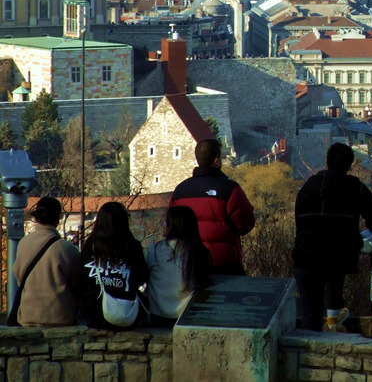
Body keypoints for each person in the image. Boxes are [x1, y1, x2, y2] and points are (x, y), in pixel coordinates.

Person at [292, 142, 372, 332]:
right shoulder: (354, 187)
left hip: (305, 256)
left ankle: (312, 351)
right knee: (332, 284)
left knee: (310, 316)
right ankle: (334, 315)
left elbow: (300, 222)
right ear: (350, 165)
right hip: (336, 257)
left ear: (327, 161)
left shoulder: (307, 187)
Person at [170, 138, 255, 275]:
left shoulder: (179, 191)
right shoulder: (230, 189)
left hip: (188, 264)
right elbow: (245, 224)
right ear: (217, 161)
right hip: (224, 264)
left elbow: (171, 227)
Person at [11, 196, 81, 327]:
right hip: (60, 317)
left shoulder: (23, 244)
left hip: (28, 315)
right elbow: (76, 282)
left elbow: (18, 276)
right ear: (57, 220)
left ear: (37, 217)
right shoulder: (66, 248)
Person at [79, 201, 149, 330]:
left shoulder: (90, 247)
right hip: (127, 315)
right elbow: (142, 277)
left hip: (94, 315)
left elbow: (81, 280)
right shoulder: (132, 247)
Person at [145, 205, 212, 326]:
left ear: (172, 225)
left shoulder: (154, 251)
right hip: (188, 315)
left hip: (157, 315)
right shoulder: (200, 253)